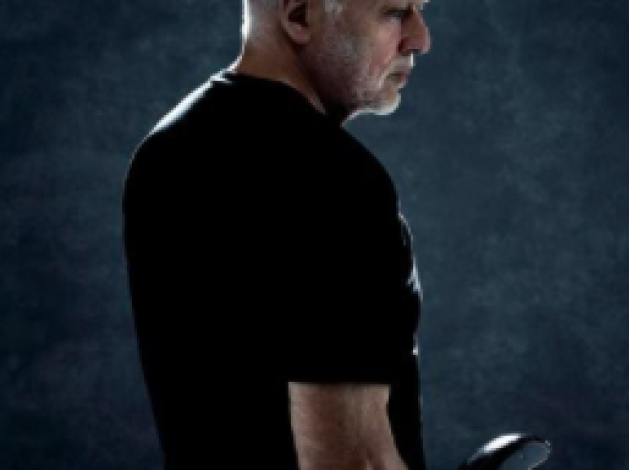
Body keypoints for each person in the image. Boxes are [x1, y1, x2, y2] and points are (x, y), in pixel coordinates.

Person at [121, 0, 432, 469]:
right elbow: (352, 462)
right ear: (300, 15)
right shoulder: (336, 183)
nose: (420, 40)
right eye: (395, 12)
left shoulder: (165, 151)